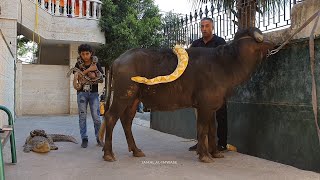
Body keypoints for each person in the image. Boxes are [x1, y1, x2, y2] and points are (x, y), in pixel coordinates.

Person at [188, 17, 228, 152]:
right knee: (201, 115)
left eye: (207, 26)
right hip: (200, 87)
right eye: (202, 26)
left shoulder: (220, 42)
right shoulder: (196, 44)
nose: (204, 29)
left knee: (220, 114)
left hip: (217, 86)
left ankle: (221, 143)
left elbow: (225, 63)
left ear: (212, 27)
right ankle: (201, 142)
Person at [73, 44, 104, 148]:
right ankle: (84, 138)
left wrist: (93, 75)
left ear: (91, 54)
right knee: (82, 117)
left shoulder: (96, 63)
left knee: (96, 118)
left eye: (87, 53)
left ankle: (99, 138)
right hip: (82, 93)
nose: (85, 56)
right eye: (83, 54)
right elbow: (77, 78)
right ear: (80, 55)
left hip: (94, 94)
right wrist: (89, 70)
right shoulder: (78, 64)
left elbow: (101, 78)